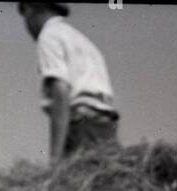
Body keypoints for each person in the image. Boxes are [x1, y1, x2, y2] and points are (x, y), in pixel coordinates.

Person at [19, 2, 120, 162]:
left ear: (30, 10)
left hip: (82, 128)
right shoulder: (82, 41)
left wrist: (55, 159)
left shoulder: (48, 36)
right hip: (105, 127)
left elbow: (60, 91)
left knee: (71, 182)